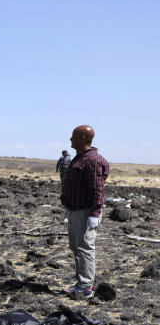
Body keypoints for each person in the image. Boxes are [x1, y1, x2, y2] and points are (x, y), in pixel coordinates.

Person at [60, 125, 110, 298]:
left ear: (82, 138)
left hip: (86, 212)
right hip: (75, 210)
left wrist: (95, 213)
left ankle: (86, 286)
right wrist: (67, 205)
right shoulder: (79, 158)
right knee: (76, 247)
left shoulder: (93, 161)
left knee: (85, 248)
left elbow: (98, 189)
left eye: (73, 136)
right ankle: (81, 281)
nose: (70, 139)